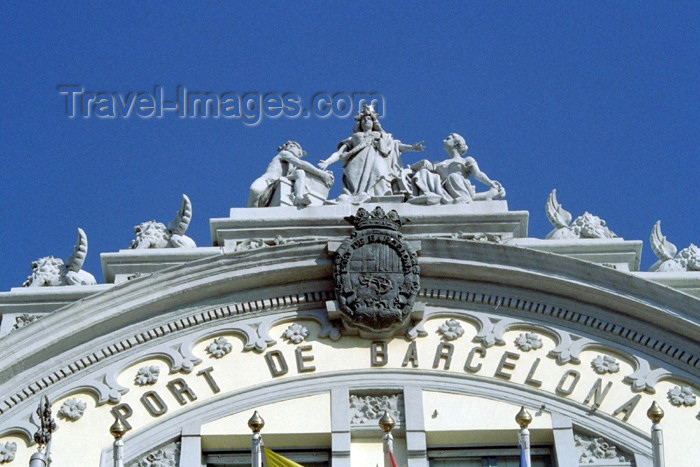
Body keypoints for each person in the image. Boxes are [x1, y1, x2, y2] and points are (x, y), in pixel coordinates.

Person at [318, 105, 424, 203]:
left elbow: (395, 146)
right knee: (354, 184)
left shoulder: (381, 135)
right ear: (359, 123)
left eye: (368, 119)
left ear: (374, 122)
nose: (365, 121)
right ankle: (357, 196)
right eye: (363, 119)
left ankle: (382, 196)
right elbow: (339, 153)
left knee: (380, 174)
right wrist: (327, 162)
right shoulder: (353, 138)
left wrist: (413, 148)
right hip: (356, 163)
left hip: (376, 159)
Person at [409, 133, 505, 204]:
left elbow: (478, 174)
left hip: (461, 185)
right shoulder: (439, 164)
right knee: (424, 172)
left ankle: (467, 200)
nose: (443, 141)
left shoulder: (466, 160)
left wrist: (491, 183)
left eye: (447, 139)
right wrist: (423, 164)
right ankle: (427, 196)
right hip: (442, 190)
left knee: (453, 176)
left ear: (455, 142)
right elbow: (412, 169)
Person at [248, 141, 334, 207]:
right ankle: (251, 210)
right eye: (291, 145)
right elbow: (300, 163)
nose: (291, 147)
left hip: (275, 184)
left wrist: (324, 174)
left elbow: (305, 169)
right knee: (255, 190)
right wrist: (321, 174)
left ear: (299, 153)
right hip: (268, 179)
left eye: (295, 147)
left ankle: (298, 197)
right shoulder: (283, 154)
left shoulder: (292, 167)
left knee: (300, 173)